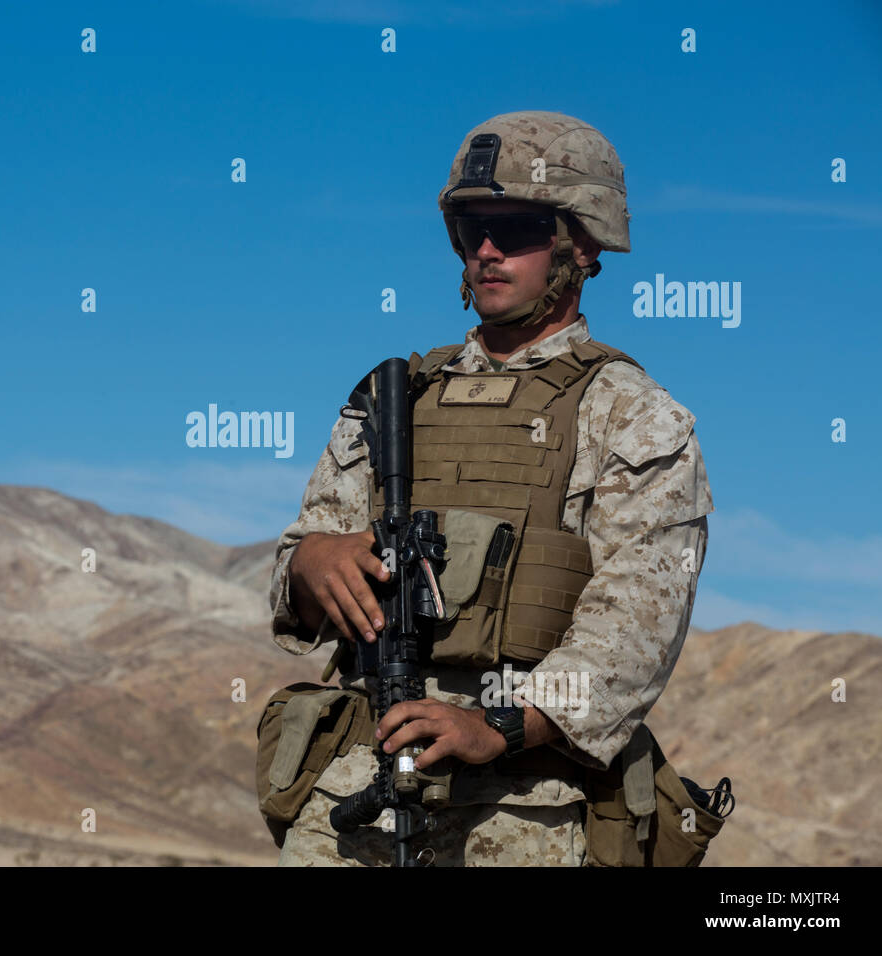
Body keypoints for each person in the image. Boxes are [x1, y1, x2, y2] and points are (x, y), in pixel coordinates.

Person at [267, 111, 713, 866]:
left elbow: (636, 629)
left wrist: (497, 726)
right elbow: (295, 571)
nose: (488, 249)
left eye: (519, 227)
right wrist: (311, 564)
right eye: (474, 226)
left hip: (527, 808)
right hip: (364, 783)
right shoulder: (390, 400)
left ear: (583, 244)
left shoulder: (635, 417)